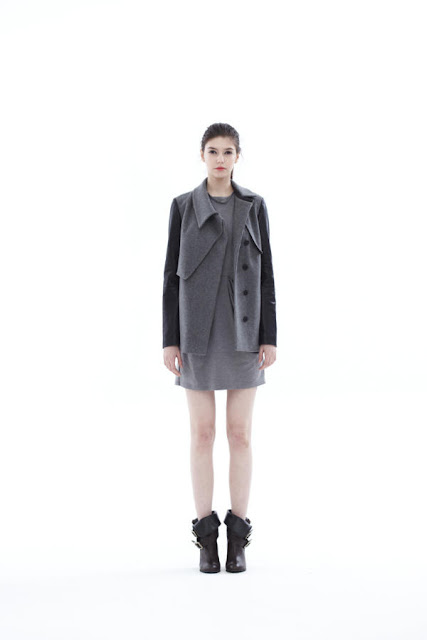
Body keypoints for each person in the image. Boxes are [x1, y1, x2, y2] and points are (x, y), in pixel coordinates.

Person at [162, 122, 277, 573]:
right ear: (202, 155)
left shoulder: (255, 205)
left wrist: (270, 335)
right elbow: (170, 276)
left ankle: (239, 538)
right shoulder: (183, 206)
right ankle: (206, 537)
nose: (221, 159)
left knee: (240, 434)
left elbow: (267, 274)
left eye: (228, 151)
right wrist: (169, 338)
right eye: (213, 151)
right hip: (197, 333)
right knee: (203, 434)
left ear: (237, 156)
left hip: (245, 332)